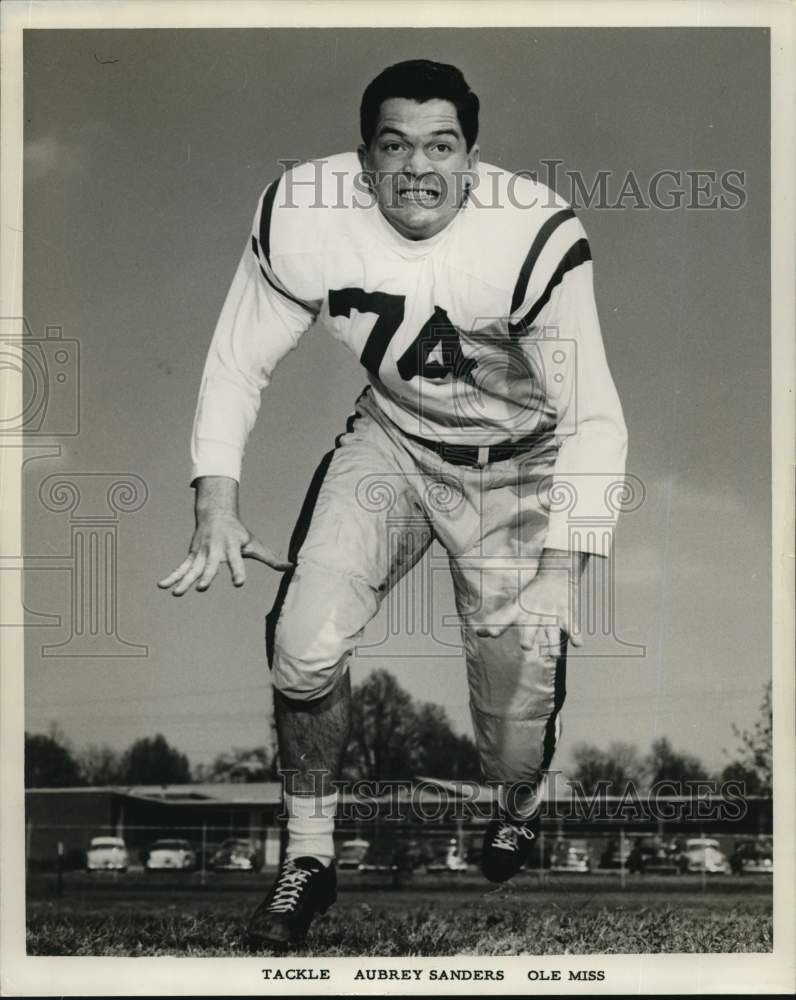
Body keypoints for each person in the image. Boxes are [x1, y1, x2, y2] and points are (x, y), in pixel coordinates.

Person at [159, 59, 627, 948]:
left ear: (473, 157)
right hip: (396, 442)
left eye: (441, 146)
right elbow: (237, 359)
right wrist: (214, 501)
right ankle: (308, 858)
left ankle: (519, 799)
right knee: (301, 646)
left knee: (514, 734)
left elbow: (596, 415)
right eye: (394, 146)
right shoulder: (305, 214)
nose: (418, 168)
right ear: (364, 158)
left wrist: (565, 567)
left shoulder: (529, 234)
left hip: (521, 468)